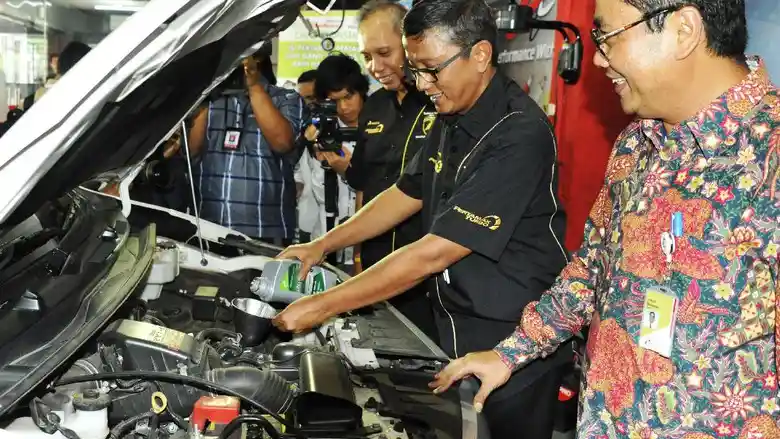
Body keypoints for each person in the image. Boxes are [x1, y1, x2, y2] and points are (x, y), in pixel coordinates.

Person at [429, 1, 780, 438]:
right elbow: (592, 269)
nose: (596, 58)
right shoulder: (638, 143)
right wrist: (510, 353)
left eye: (608, 36)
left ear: (684, 30)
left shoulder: (770, 156)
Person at [272, 0, 570, 437]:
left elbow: (435, 252)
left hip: (512, 341)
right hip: (449, 324)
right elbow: (405, 193)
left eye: (432, 69)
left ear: (480, 55)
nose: (423, 83)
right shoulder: (449, 115)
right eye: (416, 70)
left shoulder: (518, 134)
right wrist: (322, 245)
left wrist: (322, 305)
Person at [301, 0, 440, 339]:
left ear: (411, 43)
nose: (375, 67)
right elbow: (362, 181)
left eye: (384, 53)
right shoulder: (375, 107)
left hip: (427, 267)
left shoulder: (439, 101)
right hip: (376, 260)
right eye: (367, 56)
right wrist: (358, 255)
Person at [188, 46, 306, 245]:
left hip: (266, 229)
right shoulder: (207, 102)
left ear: (257, 58)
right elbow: (190, 152)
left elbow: (283, 143)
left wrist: (253, 86)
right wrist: (206, 90)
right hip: (208, 228)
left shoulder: (286, 98)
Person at [295, 54, 367, 273]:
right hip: (325, 246)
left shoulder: (382, 128)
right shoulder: (318, 135)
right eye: (334, 101)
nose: (343, 107)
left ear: (362, 91)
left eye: (348, 97)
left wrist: (349, 172)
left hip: (367, 246)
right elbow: (314, 193)